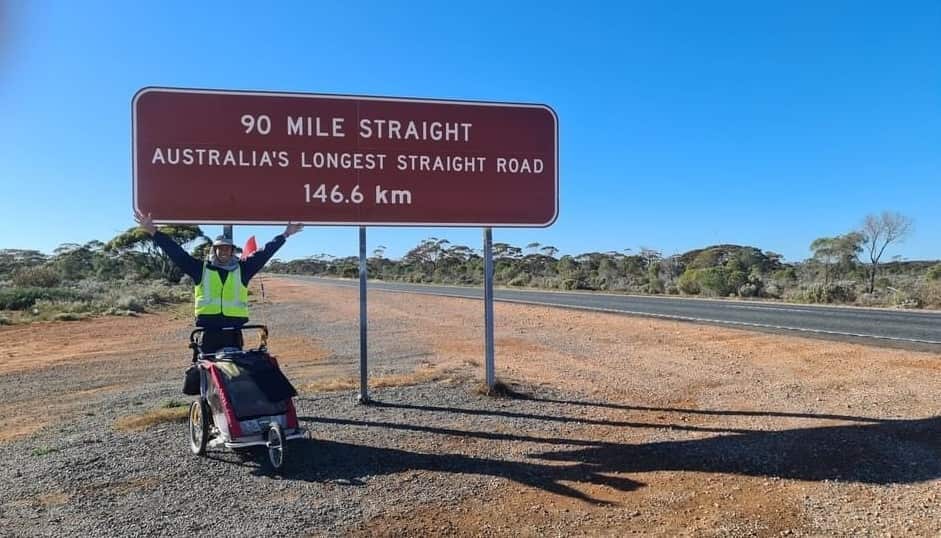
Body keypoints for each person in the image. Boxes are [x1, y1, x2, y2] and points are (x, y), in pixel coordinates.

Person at [134, 209, 303, 353]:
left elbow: (265, 253)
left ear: (232, 251)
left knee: (237, 373)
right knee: (205, 371)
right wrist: (153, 232)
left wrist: (286, 234)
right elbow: (177, 253)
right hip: (209, 331)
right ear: (214, 250)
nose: (223, 252)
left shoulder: (243, 269)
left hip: (234, 332)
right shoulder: (200, 269)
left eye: (227, 249)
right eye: (220, 248)